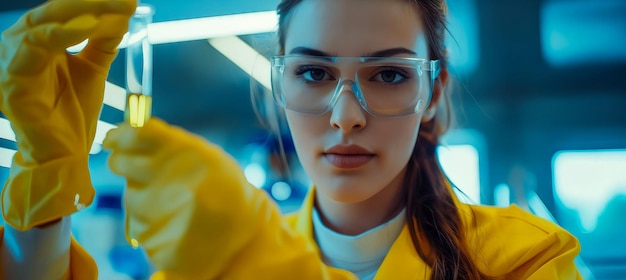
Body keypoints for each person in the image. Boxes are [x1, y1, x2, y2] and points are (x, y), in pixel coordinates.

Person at [0, 0, 582, 279]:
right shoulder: (219, 254)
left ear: (432, 92)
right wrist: (44, 208)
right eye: (314, 73)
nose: (347, 117)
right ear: (277, 85)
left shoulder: (527, 260)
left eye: (388, 75)